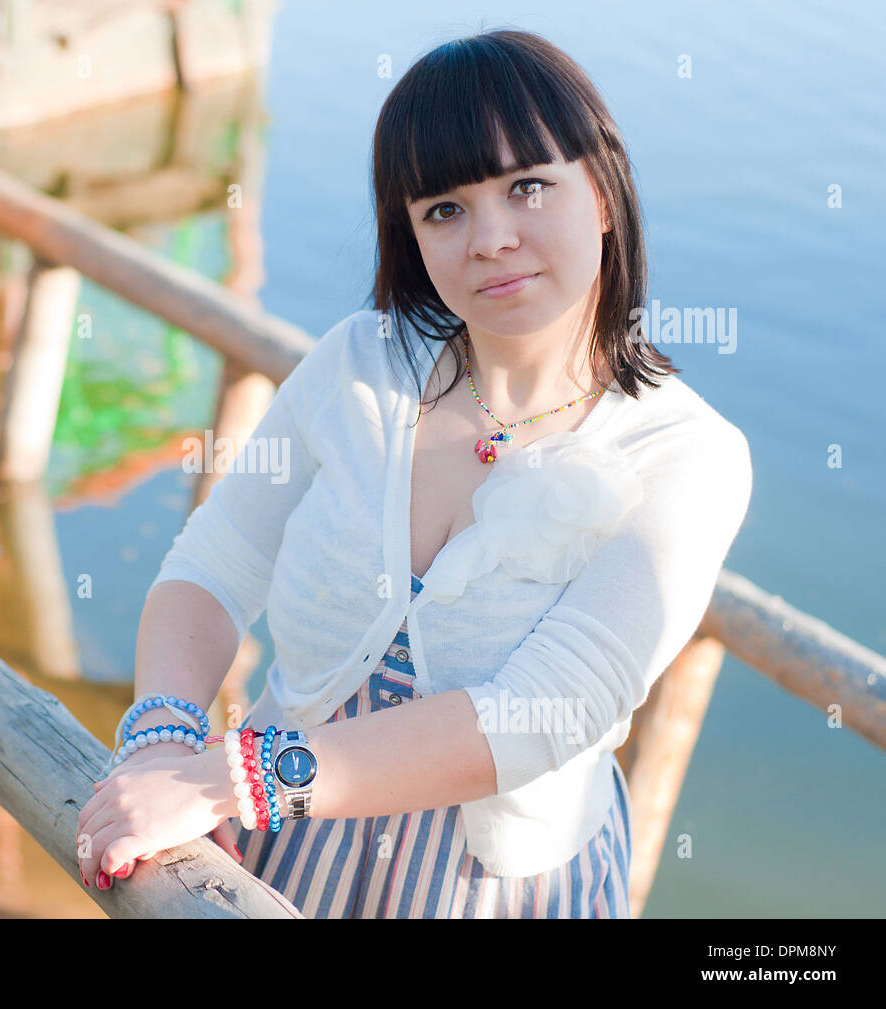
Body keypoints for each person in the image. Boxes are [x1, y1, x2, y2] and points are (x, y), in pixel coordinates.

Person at [75, 28, 752, 918]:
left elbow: (541, 712)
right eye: (445, 210)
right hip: (277, 846)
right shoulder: (361, 363)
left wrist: (226, 784)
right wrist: (164, 740)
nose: (491, 239)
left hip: (499, 889)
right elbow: (213, 564)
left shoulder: (686, 454)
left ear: (602, 193)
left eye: (528, 187)